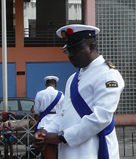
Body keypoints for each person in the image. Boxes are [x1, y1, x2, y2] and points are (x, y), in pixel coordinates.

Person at [34, 24, 125, 159]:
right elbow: (63, 114)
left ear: (91, 47)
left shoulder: (107, 74)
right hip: (70, 151)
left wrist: (62, 137)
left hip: (93, 150)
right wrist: (46, 131)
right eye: (68, 51)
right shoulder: (73, 78)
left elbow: (101, 117)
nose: (71, 55)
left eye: (75, 50)